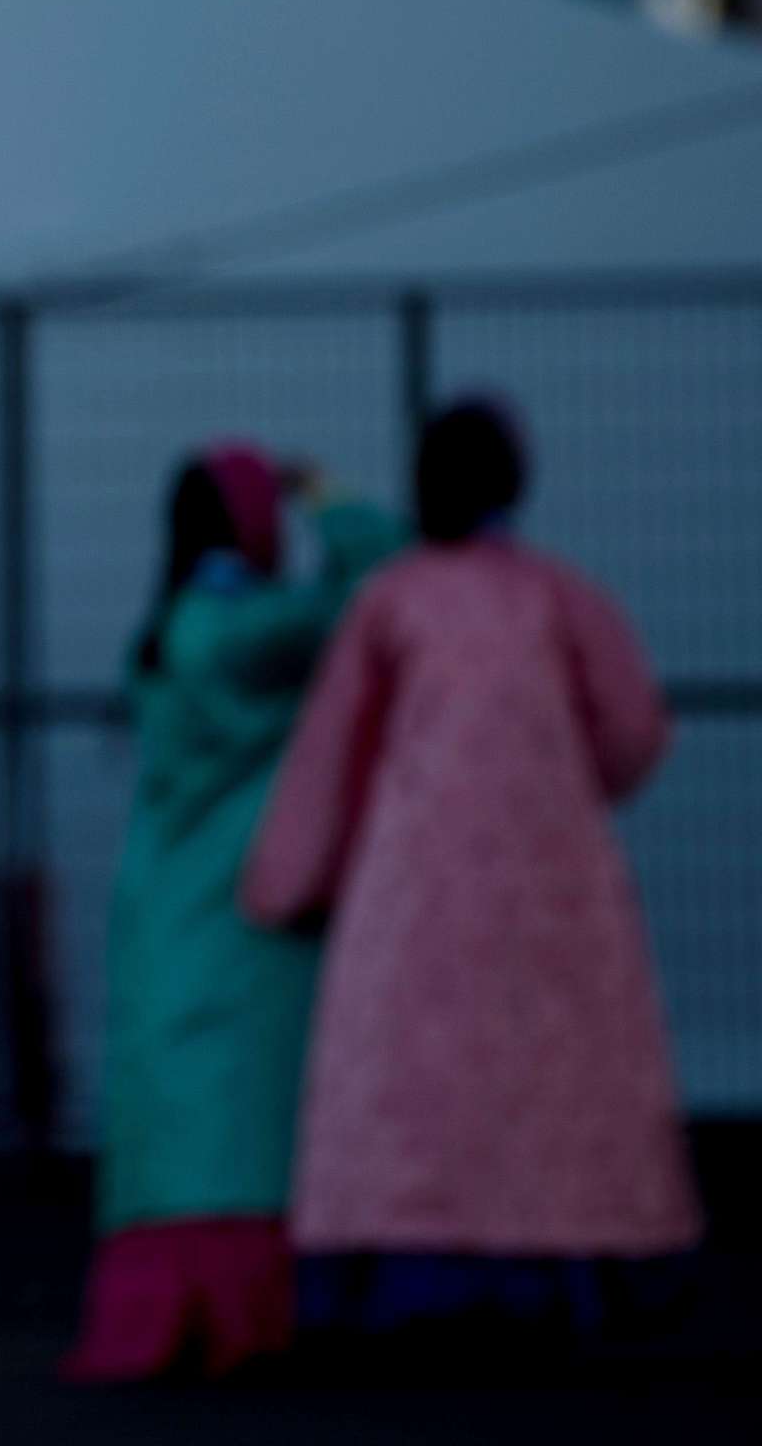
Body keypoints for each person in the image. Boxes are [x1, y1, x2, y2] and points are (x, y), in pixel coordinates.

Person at [243, 399, 700, 1349]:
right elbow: (633, 732)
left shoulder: (392, 599)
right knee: (562, 1072)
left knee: (409, 1074)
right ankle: (580, 1274)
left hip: (413, 888)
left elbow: (333, 754)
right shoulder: (559, 596)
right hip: (554, 882)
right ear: (513, 483)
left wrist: (285, 880)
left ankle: (405, 1285)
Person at [63, 446, 401, 1382]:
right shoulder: (254, 633)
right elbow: (381, 572)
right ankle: (249, 1314)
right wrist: (325, 493)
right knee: (246, 1120)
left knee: (170, 1119)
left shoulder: (171, 628)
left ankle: (161, 1317)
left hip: (162, 908)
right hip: (248, 914)